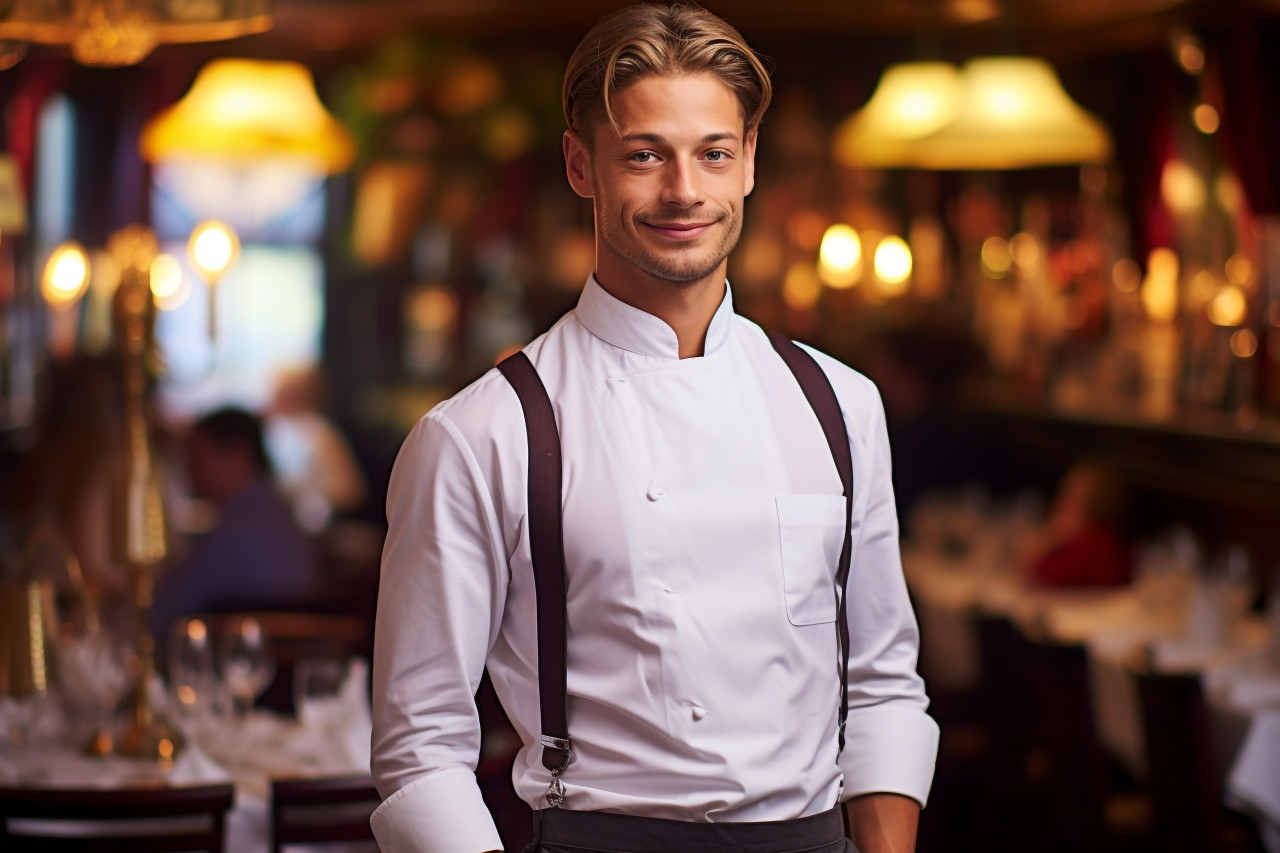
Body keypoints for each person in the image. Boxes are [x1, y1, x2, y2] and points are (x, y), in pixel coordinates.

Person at [370, 5, 939, 853]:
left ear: (748, 161)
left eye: (713, 152)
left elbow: (886, 682)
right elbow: (420, 750)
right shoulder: (481, 434)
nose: (684, 191)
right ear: (580, 165)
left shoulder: (842, 403)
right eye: (644, 155)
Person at [150, 407, 318, 637]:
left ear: (238, 456)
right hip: (275, 660)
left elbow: (161, 617)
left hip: (240, 662)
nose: (189, 472)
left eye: (197, 459)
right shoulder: (280, 518)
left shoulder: (235, 533)